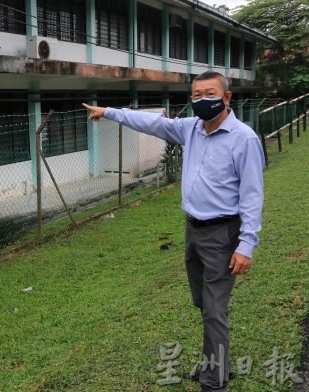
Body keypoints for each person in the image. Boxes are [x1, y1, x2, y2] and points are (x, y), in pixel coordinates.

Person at [83, 71, 265, 392]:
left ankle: (214, 382)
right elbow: (151, 123)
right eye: (195, 95)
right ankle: (216, 362)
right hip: (193, 231)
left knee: (213, 310)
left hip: (223, 235)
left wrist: (246, 244)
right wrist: (108, 112)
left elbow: (252, 195)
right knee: (203, 303)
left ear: (226, 98)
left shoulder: (243, 138)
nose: (201, 100)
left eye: (209, 93)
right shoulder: (190, 129)